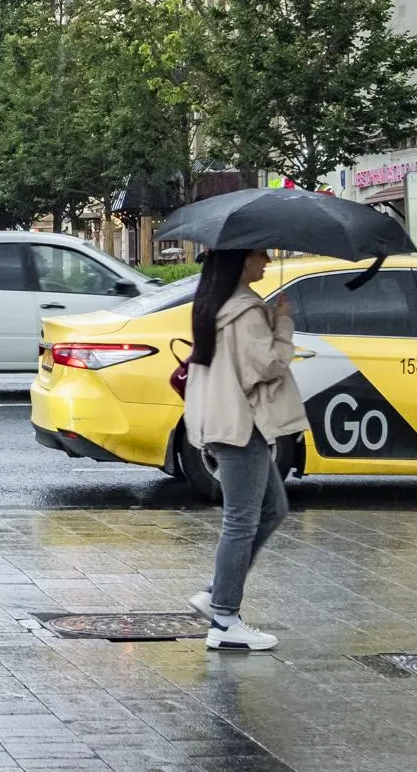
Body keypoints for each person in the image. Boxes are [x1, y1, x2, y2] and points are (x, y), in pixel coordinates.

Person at [181, 248, 305, 653]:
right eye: (259, 254)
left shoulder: (213, 303)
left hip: (221, 419)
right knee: (241, 521)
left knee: (274, 509)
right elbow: (266, 366)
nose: (267, 260)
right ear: (240, 261)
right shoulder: (244, 310)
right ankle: (224, 620)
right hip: (240, 424)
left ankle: (216, 591)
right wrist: (282, 323)